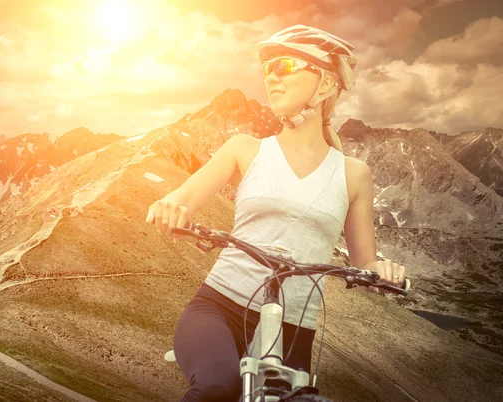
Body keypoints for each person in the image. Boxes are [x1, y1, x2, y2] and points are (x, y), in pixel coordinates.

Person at [145, 24, 406, 402]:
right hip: (221, 308)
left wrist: (381, 270)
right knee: (218, 388)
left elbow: (365, 265)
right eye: (267, 71)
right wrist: (167, 208)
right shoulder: (245, 149)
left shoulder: (354, 175)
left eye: (285, 65)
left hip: (294, 327)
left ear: (327, 84)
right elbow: (178, 200)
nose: (272, 78)